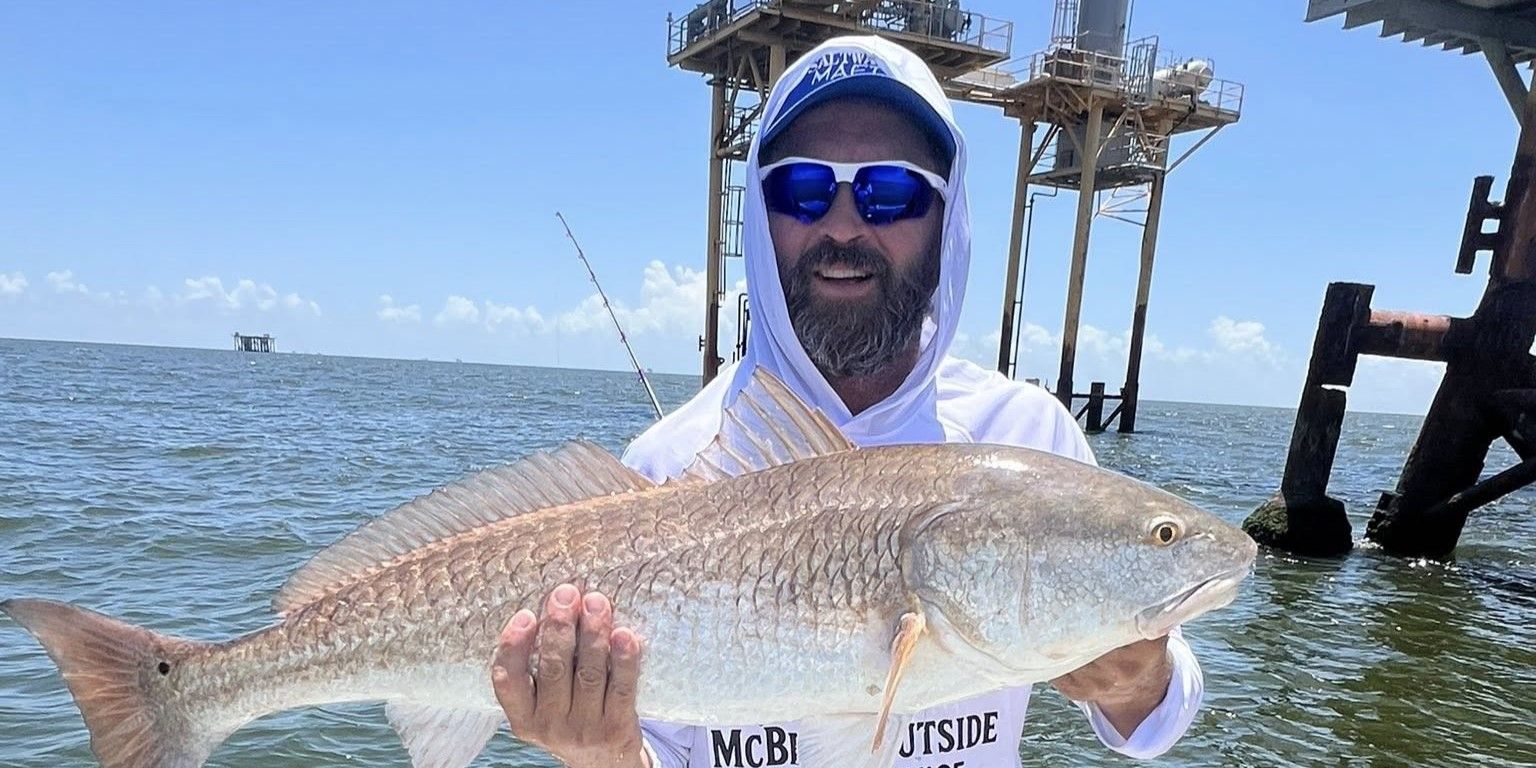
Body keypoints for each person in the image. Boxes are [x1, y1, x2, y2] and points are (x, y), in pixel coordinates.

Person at [488, 35, 1204, 768]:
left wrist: (1138, 681)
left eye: (889, 191)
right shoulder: (673, 462)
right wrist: (599, 753)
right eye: (800, 188)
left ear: (946, 217)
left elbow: (1160, 719)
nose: (841, 225)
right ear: (762, 220)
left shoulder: (1024, 436)